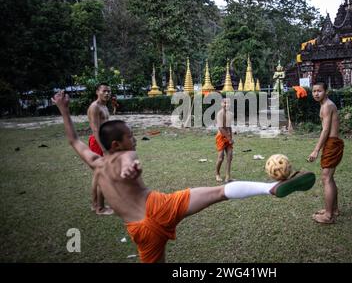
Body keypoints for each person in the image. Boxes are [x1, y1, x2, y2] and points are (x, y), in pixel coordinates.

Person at [52, 90, 316, 263]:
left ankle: (270, 189)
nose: (134, 139)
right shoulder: (126, 157)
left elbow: (74, 140)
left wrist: (64, 111)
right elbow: (127, 164)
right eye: (129, 137)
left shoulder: (96, 163)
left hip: (139, 231)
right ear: (116, 146)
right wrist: (128, 169)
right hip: (160, 207)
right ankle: (269, 188)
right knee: (219, 193)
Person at [307, 82, 344, 224]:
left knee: (326, 178)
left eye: (319, 91)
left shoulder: (328, 105)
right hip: (331, 143)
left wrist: (316, 150)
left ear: (326, 91)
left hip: (332, 143)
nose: (316, 93)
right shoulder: (324, 105)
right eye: (314, 91)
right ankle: (333, 209)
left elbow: (326, 130)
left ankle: (328, 216)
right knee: (329, 177)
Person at [87, 83, 114, 215]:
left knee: (98, 174)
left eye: (109, 91)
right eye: (104, 91)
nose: (107, 93)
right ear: (97, 91)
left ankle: (95, 204)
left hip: (104, 141)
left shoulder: (104, 106)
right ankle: (100, 208)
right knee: (103, 174)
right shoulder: (94, 107)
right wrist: (104, 148)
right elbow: (95, 129)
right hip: (98, 142)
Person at [215, 98, 234, 183]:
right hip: (221, 136)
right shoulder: (220, 114)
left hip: (228, 137)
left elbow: (229, 127)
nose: (227, 104)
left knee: (229, 156)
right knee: (220, 158)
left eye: (228, 103)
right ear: (221, 104)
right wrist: (229, 138)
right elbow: (221, 128)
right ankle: (217, 174)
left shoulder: (230, 114)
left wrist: (231, 137)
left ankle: (228, 176)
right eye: (225, 103)